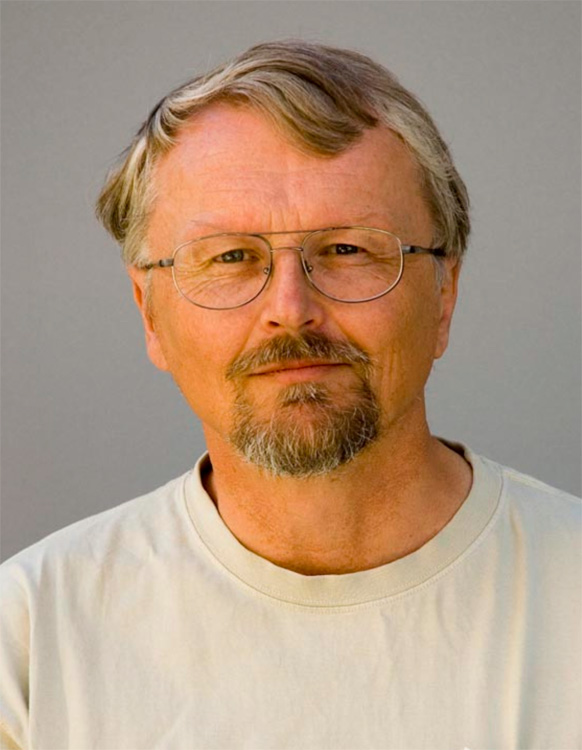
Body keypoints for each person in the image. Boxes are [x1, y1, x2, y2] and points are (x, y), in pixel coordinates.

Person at [0, 40, 579, 750]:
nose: (290, 310)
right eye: (230, 257)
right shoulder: (28, 642)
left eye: (347, 250)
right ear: (149, 314)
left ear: (445, 293)